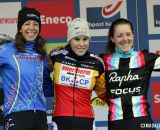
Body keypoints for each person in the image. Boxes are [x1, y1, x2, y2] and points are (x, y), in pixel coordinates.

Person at [0, 7, 53, 130]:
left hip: (40, 115)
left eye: (35, 24)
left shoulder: (42, 55)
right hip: (16, 114)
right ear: (20, 28)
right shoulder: (6, 50)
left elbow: (46, 88)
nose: (31, 28)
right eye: (27, 23)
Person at [49, 18, 106, 130]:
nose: (81, 44)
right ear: (70, 40)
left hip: (86, 120)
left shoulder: (97, 63)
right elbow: (38, 76)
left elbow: (103, 93)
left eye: (85, 39)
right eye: (77, 39)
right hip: (61, 119)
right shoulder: (56, 57)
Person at [102, 18, 159, 130]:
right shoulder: (103, 61)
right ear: (112, 39)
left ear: (133, 35)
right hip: (116, 123)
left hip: (143, 122)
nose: (125, 39)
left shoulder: (144, 58)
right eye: (119, 36)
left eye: (128, 34)